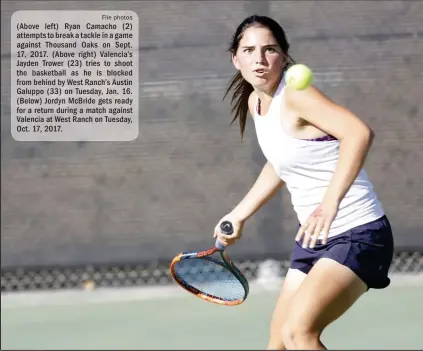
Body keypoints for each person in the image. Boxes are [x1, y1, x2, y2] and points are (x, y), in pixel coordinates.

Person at [213, 15, 394, 350]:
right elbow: (281, 162)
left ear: (284, 56)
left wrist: (329, 203)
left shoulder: (297, 95)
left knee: (299, 334)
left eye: (270, 49)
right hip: (313, 238)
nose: (260, 59)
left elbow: (358, 133)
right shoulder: (256, 104)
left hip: (357, 231)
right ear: (235, 59)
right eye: (249, 50)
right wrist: (240, 214)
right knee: (278, 344)